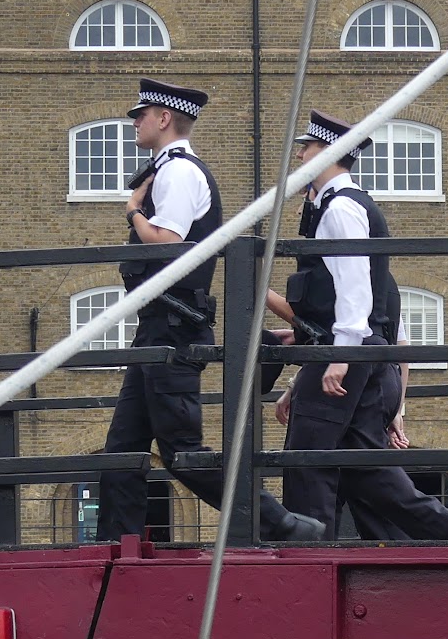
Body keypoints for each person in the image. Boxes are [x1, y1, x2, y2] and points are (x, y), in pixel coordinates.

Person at [92, 78, 324, 543]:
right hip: (159, 327)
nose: (135, 122)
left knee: (183, 452)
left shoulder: (179, 172)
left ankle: (282, 523)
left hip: (173, 330)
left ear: (164, 118)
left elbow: (168, 242)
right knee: (122, 448)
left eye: (141, 115)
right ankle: (117, 547)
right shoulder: (167, 169)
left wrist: (133, 210)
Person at [272, 110, 448, 540]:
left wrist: (342, 354)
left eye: (308, 147)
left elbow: (353, 285)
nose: (300, 155)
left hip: (346, 350)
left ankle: (308, 555)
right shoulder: (340, 205)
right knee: (365, 465)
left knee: (307, 460)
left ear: (328, 152)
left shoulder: (341, 208)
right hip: (361, 351)